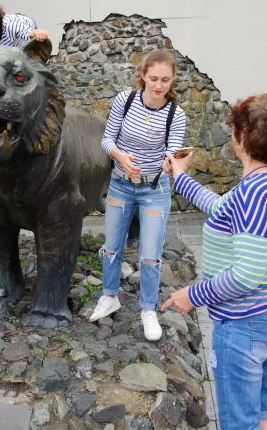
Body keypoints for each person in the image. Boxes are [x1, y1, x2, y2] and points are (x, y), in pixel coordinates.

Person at [161, 93, 267, 430]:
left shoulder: (254, 192)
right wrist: (179, 176)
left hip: (245, 325)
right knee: (266, 412)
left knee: (239, 423)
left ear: (242, 136)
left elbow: (246, 275)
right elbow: (224, 209)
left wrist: (191, 295)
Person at [89, 49, 187, 342]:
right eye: (154, 78)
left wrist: (171, 163)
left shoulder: (175, 115)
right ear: (143, 75)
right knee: (111, 246)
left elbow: (171, 152)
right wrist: (121, 156)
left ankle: (148, 309)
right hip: (120, 184)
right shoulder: (125, 100)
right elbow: (108, 139)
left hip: (154, 190)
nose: (159, 85)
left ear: (172, 80)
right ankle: (109, 296)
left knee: (150, 255)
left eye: (165, 80)